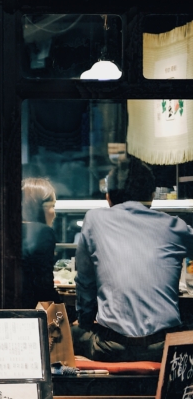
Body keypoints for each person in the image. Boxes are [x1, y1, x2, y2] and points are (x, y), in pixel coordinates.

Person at [73, 155, 193, 362]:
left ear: (109, 197)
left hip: (112, 347)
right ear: (152, 196)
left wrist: (85, 320)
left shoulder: (95, 219)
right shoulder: (175, 226)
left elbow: (85, 284)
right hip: (164, 348)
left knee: (70, 334)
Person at [20, 177, 60, 309]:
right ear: (36, 207)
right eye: (51, 206)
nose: (54, 213)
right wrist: (70, 316)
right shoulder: (42, 232)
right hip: (18, 318)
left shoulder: (1, 230)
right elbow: (45, 289)